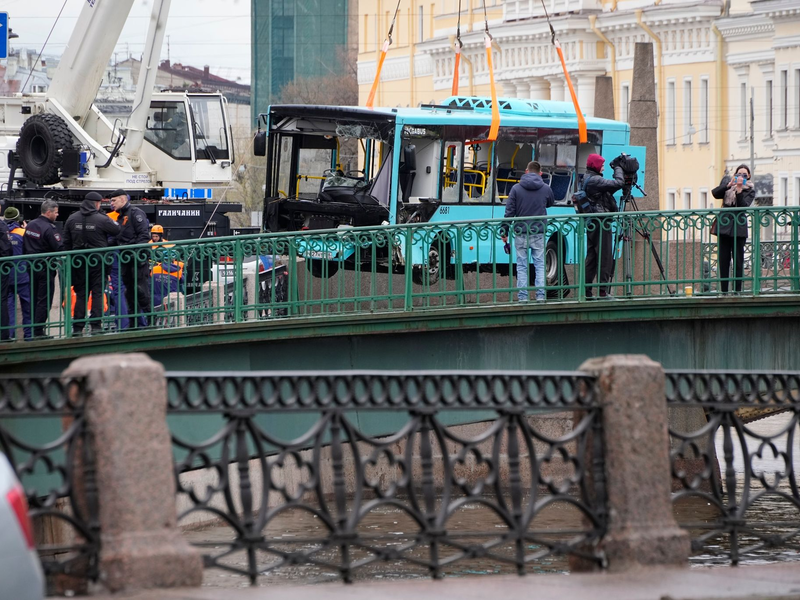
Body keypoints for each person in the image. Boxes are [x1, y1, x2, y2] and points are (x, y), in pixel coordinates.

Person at [63, 191, 119, 335]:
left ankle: (77, 327)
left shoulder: (72, 218)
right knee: (98, 293)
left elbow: (66, 242)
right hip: (98, 262)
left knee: (81, 294)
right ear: (96, 203)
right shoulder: (102, 219)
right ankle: (96, 326)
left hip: (78, 262)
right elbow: (117, 230)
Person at [500, 161, 555, 302]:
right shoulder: (545, 188)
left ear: (526, 171)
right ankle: (540, 296)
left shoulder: (516, 189)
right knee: (540, 265)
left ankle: (523, 297)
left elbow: (509, 212)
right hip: (538, 231)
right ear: (540, 173)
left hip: (520, 232)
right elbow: (550, 202)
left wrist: (504, 231)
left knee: (522, 266)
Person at [582, 154, 625, 299]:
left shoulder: (588, 177)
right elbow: (619, 183)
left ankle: (587, 292)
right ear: (595, 165)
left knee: (592, 257)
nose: (604, 167)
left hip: (593, 222)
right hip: (601, 222)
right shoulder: (595, 180)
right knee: (605, 256)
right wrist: (618, 167)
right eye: (601, 165)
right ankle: (602, 291)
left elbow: (606, 191)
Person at [109, 189, 152, 328]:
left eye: (114, 200)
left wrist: (136, 253)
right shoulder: (121, 217)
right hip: (126, 259)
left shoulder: (136, 213)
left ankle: (151, 319)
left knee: (140, 290)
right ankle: (134, 323)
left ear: (122, 199)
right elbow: (118, 238)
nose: (111, 204)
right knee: (129, 292)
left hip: (137, 259)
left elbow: (144, 236)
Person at [23, 200, 64, 338]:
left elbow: (25, 245)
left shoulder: (31, 225)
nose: (57, 215)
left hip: (31, 266)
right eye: (56, 212)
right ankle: (38, 331)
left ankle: (34, 329)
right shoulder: (49, 228)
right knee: (44, 300)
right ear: (49, 212)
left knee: (34, 298)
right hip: (45, 268)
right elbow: (59, 247)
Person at [711, 164, 755, 293]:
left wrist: (740, 190)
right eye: (738, 174)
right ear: (734, 175)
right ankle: (724, 291)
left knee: (738, 260)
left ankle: (737, 291)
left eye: (744, 175)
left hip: (739, 228)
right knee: (723, 260)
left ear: (749, 177)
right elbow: (715, 193)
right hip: (724, 227)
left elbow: (743, 206)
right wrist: (728, 185)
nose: (741, 177)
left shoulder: (750, 190)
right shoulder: (728, 184)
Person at [4, 207, 32, 340]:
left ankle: (10, 335)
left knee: (9, 307)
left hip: (6, 274)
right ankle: (29, 336)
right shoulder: (22, 232)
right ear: (17, 219)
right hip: (22, 275)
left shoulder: (2, 232)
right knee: (27, 306)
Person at [0, 210, 13, 341]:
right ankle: (4, 335)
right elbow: (6, 248)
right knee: (2, 300)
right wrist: (7, 264)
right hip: (1, 267)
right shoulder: (1, 225)